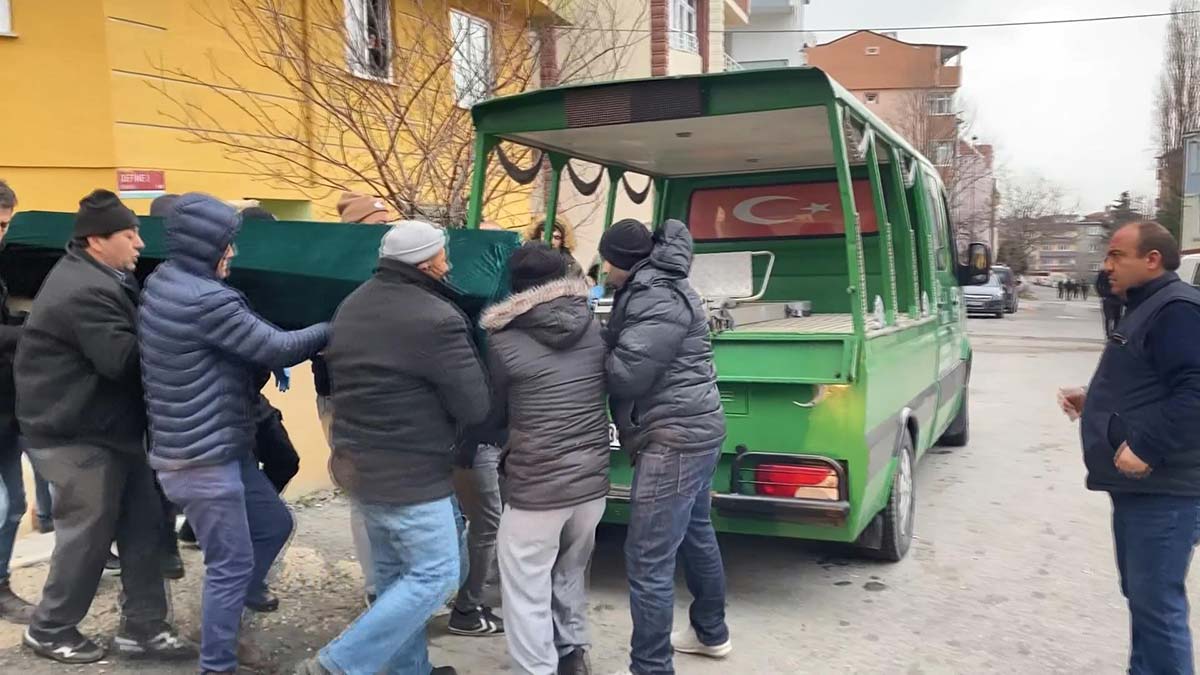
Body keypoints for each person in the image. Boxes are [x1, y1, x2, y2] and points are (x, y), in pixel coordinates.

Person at [139, 193, 329, 675]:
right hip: (202, 458)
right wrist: (334, 325)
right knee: (230, 565)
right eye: (228, 244)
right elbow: (277, 347)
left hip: (218, 445)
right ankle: (217, 662)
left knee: (273, 525)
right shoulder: (207, 299)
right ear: (207, 247)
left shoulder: (167, 279)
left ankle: (220, 625)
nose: (234, 253)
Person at [297, 220, 489, 675]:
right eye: (443, 255)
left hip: (358, 464)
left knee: (392, 580)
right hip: (412, 474)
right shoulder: (437, 318)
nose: (448, 264)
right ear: (425, 263)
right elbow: (474, 404)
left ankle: (410, 671)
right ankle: (337, 664)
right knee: (437, 575)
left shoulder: (352, 305)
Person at [15, 189, 192, 664]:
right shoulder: (85, 289)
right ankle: (49, 629)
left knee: (144, 525)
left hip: (110, 428)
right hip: (75, 434)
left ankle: (144, 627)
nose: (140, 244)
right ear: (97, 240)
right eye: (129, 236)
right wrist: (182, 334)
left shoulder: (102, 276)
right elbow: (122, 361)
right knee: (87, 536)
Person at [1058, 221, 1200, 675]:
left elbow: (1195, 390)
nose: (1107, 266)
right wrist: (1094, 399)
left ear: (1152, 259)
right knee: (1143, 598)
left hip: (1166, 488)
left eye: (1117, 255)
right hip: (1143, 488)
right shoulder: (1147, 306)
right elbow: (1151, 381)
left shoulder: (1176, 309)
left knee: (1156, 605)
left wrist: (1147, 446)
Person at [599, 219, 730, 675]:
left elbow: (627, 375)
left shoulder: (654, 294)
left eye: (607, 261)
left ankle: (651, 666)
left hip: (673, 439)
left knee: (648, 558)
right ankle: (710, 632)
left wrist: (590, 349)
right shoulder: (661, 284)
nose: (604, 270)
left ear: (621, 261)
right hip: (696, 429)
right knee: (696, 531)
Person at [479, 243, 610, 675]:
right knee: (570, 569)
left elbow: (493, 415)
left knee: (525, 584)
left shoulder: (502, 340)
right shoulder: (594, 327)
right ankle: (572, 654)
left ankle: (536, 668)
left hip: (537, 484)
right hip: (591, 483)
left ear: (515, 287)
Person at [0, 180, 35, 623]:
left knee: (14, 503)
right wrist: (30, 331)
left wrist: (21, 318)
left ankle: (1, 586)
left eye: (6, 225)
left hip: (6, 411)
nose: (2, 234)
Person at [1097, 269, 1123, 338]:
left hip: (1118, 298)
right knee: (1109, 317)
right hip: (1108, 298)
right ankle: (1109, 334)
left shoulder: (1120, 271)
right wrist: (1102, 294)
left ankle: (1115, 332)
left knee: (1117, 317)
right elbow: (1098, 284)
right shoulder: (1103, 273)